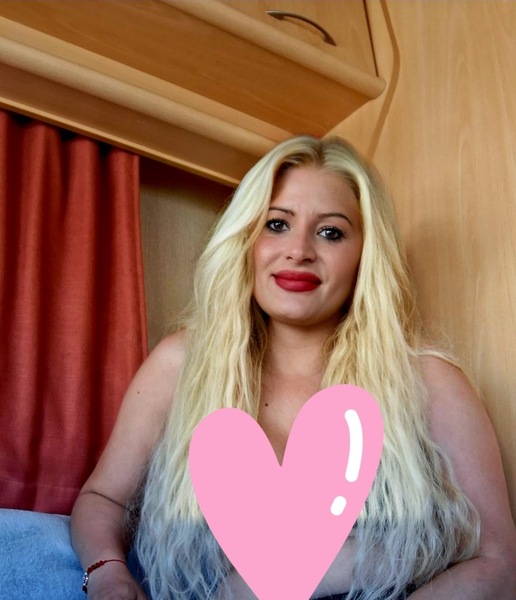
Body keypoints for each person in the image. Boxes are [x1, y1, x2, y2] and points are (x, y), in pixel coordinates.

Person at [65, 136, 516, 599]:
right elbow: (103, 498)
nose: (299, 250)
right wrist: (107, 574)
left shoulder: (428, 380)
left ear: (365, 255)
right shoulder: (181, 365)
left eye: (331, 232)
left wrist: (333, 566)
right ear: (246, 239)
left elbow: (500, 563)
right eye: (277, 224)